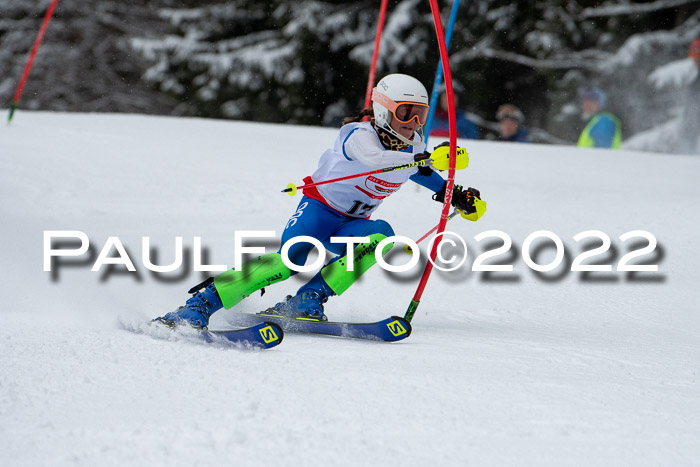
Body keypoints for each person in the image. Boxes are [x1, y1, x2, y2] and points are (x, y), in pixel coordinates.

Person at [156, 74, 487, 329]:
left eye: (421, 116)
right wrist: (428, 157)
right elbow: (376, 160)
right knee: (290, 261)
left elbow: (423, 173)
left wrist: (456, 196)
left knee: (381, 237)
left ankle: (307, 299)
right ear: (385, 110)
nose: (414, 124)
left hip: (350, 224)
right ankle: (200, 304)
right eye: (406, 113)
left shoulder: (413, 147)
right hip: (318, 212)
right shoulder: (357, 135)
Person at [678, 37, 700, 154]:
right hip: (692, 129)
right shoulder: (695, 77)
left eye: (698, 54)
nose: (695, 59)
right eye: (693, 54)